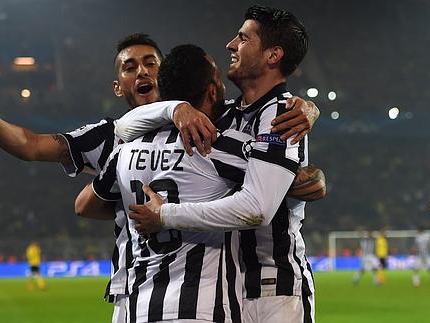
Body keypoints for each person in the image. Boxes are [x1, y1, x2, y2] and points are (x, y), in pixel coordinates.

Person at [0, 32, 319, 322]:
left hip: (218, 287)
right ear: (118, 86)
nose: (142, 72)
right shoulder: (117, 135)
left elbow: (291, 170)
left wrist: (307, 109)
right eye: (130, 67)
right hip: (137, 289)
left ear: (166, 74)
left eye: (150, 64)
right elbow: (35, 147)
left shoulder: (211, 123)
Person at [122, 5, 319, 322]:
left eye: (243, 38)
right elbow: (124, 127)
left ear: (273, 55)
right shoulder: (223, 114)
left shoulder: (284, 114)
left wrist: (166, 215)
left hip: (274, 290)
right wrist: (174, 109)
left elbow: (259, 207)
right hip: (227, 291)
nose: (230, 44)